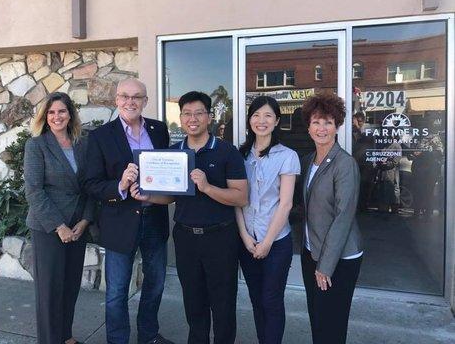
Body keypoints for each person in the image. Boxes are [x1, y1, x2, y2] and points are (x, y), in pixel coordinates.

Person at [130, 91, 248, 344]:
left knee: (223, 303)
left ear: (209, 117)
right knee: (194, 303)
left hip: (220, 237)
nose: (192, 118)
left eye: (198, 113)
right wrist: (147, 196)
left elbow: (241, 197)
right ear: (181, 117)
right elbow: (171, 197)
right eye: (186, 113)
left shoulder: (227, 152)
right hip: (185, 238)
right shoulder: (174, 153)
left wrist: (207, 187)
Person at [83, 78, 172, 344]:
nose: (130, 102)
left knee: (155, 286)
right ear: (116, 100)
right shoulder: (100, 136)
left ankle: (148, 336)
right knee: (117, 291)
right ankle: (117, 340)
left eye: (136, 97)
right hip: (120, 222)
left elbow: (166, 171)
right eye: (124, 96)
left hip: (154, 220)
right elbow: (90, 183)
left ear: (145, 101)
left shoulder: (159, 129)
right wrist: (120, 185)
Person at [24, 92, 95, 344]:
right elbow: (34, 190)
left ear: (70, 114)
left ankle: (65, 337)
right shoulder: (36, 145)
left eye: (62, 111)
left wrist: (85, 220)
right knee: (50, 291)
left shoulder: (83, 144)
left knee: (69, 287)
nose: (57, 117)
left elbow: (90, 185)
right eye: (51, 112)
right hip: (49, 228)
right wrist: (59, 226)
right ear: (45, 116)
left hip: (78, 227)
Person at [300, 93, 363, 344]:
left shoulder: (344, 163)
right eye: (316, 122)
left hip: (339, 259)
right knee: (317, 317)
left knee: (332, 324)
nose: (321, 128)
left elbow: (343, 217)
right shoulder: (307, 161)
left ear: (337, 125)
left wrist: (325, 265)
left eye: (328, 122)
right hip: (310, 252)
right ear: (308, 126)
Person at [236, 96, 300, 344]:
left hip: (276, 242)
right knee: (255, 299)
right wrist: (244, 236)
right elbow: (237, 200)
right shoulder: (240, 155)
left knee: (271, 300)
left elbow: (286, 204)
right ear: (249, 120)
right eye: (256, 115)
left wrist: (266, 243)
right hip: (247, 240)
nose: (261, 121)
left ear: (277, 122)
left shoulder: (287, 156)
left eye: (268, 116)